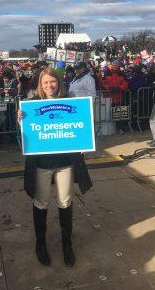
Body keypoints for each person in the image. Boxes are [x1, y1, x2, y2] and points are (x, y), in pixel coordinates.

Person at [17, 68, 92, 267]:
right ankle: (40, 243)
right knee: (41, 202)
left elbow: (80, 127)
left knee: (65, 202)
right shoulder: (32, 105)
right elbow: (27, 135)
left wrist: (85, 137)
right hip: (41, 163)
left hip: (65, 162)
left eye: (52, 82)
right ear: (40, 85)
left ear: (58, 82)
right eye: (45, 83)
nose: (49, 86)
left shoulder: (71, 101)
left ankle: (67, 243)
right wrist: (21, 123)